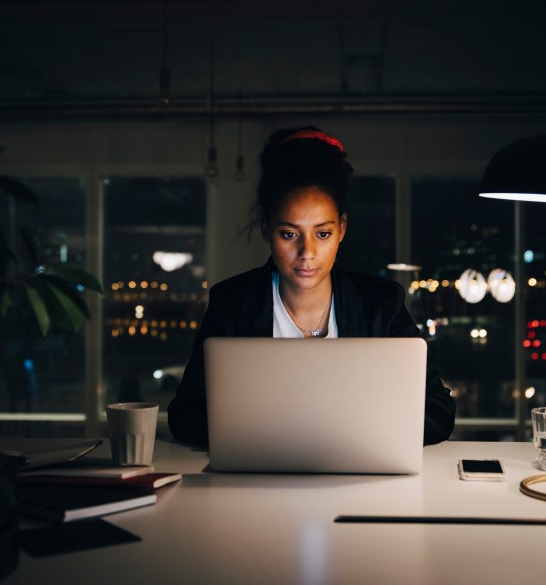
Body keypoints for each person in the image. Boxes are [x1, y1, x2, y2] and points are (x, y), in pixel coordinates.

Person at [167, 125, 456, 446]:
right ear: (266, 229)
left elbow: (439, 411)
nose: (307, 253)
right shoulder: (232, 302)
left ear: (342, 229)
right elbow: (184, 414)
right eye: (289, 234)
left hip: (357, 480)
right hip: (259, 482)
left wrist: (347, 432)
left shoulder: (381, 304)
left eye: (322, 233)